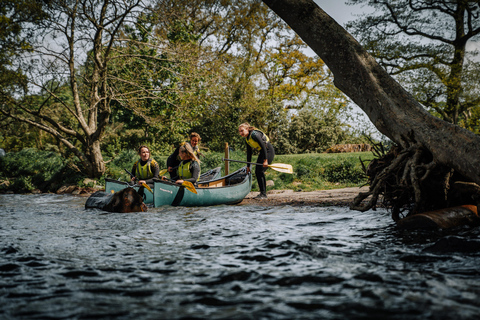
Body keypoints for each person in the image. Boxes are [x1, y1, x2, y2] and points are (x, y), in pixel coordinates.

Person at [238, 122, 275, 199]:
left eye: (242, 130)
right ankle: (262, 193)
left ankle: (263, 194)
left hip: (268, 151)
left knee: (260, 171)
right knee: (257, 171)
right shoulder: (247, 139)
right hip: (262, 152)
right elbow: (249, 153)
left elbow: (264, 146)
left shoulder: (254, 135)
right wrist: (248, 166)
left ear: (247, 129)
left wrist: (265, 160)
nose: (240, 133)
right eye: (239, 131)